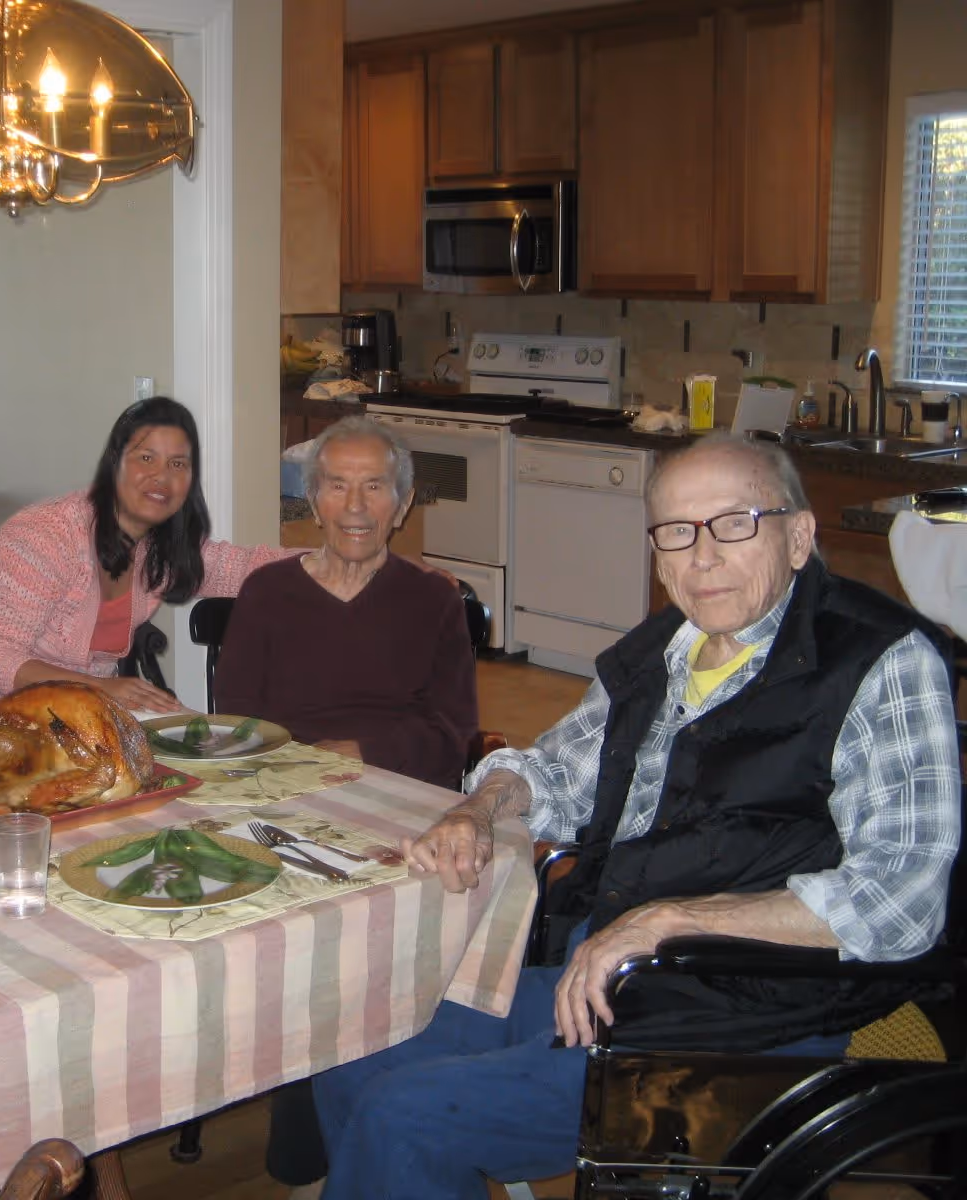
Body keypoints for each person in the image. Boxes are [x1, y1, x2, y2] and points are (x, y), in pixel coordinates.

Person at [311, 436, 961, 1200]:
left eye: (734, 523)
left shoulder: (881, 659)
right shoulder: (667, 650)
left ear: (799, 536)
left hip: (749, 1023)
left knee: (404, 1116)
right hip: (609, 981)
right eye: (678, 532)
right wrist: (480, 808)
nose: (703, 556)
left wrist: (663, 924)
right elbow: (558, 773)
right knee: (352, 1041)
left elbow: (900, 899)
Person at [0, 396, 296, 710]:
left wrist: (340, 560)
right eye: (146, 457)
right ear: (115, 462)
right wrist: (102, 689)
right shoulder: (45, 534)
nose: (161, 476)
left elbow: (242, 566)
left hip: (79, 718)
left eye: (178, 464)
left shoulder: (159, 546)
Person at [216, 415, 478, 788]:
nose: (355, 505)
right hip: (286, 785)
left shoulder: (433, 599)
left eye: (374, 486)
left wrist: (364, 753)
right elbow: (236, 721)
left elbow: (454, 733)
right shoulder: (266, 592)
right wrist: (299, 767)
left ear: (403, 504)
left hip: (397, 788)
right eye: (337, 485)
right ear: (313, 502)